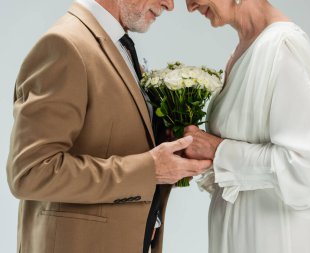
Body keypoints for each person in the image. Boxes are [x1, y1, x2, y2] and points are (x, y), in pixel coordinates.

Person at [6, 0, 212, 253]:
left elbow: (109, 136)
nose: (169, 5)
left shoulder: (115, 44)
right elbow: (30, 173)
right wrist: (150, 169)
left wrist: (167, 142)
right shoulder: (65, 45)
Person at [183, 0, 310, 252]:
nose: (190, 6)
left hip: (273, 238)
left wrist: (218, 151)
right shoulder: (242, 51)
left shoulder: (282, 47)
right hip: (240, 234)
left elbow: (309, 167)